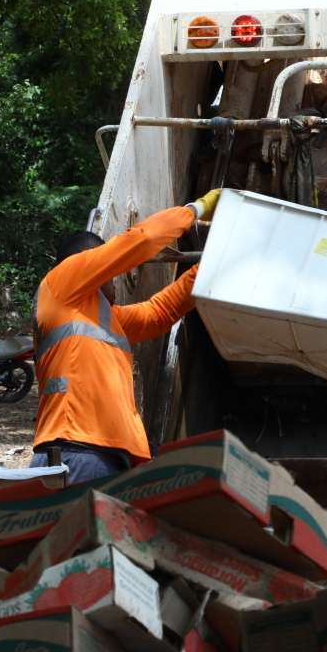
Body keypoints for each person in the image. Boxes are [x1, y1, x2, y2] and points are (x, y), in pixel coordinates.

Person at [28, 190, 221, 483]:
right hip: (76, 451)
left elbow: (161, 311)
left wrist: (213, 263)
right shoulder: (61, 284)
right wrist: (195, 210)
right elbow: (141, 240)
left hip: (102, 456)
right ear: (87, 264)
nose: (116, 278)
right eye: (110, 270)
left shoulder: (101, 319)